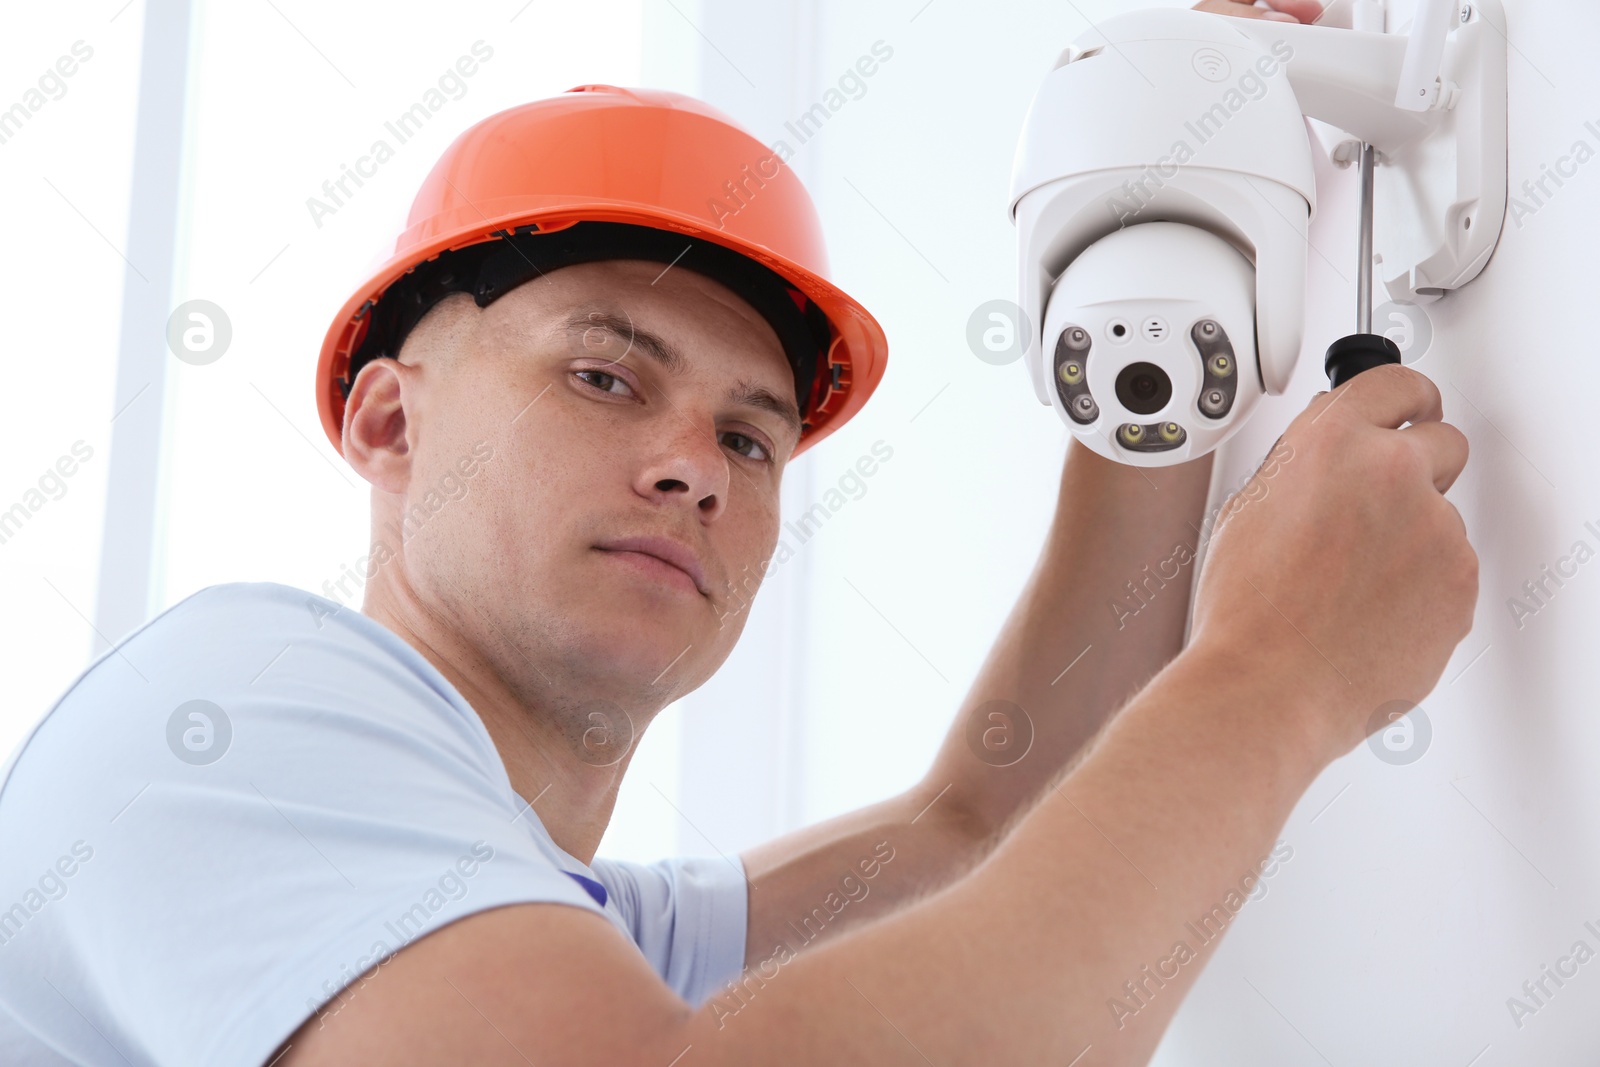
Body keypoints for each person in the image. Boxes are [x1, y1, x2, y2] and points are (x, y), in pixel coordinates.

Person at [0, 1, 1476, 1063]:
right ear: (392, 424)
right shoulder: (234, 708)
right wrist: (1283, 672)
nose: (694, 470)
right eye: (604, 377)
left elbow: (984, 834)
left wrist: (1158, 327)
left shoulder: (551, 927)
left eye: (749, 436)